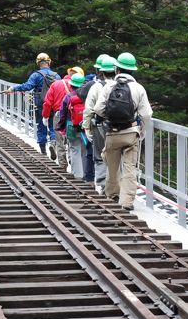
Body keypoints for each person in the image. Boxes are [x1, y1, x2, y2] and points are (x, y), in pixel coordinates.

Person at [93, 52, 152, 210]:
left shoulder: (109, 86)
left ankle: (112, 196)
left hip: (112, 132)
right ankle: (126, 202)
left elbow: (98, 108)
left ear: (117, 69)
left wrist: (109, 117)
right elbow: (146, 114)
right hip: (131, 132)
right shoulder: (139, 88)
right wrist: (142, 129)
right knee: (129, 167)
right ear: (132, 70)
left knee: (112, 167)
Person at [6, 53, 60, 154]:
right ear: (49, 62)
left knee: (41, 126)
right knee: (53, 125)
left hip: (40, 103)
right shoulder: (57, 76)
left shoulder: (36, 75)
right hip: (54, 104)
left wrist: (14, 88)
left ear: (38, 63)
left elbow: (27, 86)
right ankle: (53, 142)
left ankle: (43, 151)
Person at [83, 55, 116, 192]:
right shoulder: (121, 85)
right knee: (116, 157)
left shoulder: (96, 86)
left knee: (99, 156)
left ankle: (103, 185)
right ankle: (116, 186)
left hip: (100, 126)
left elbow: (89, 109)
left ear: (101, 71)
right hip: (120, 127)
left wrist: (86, 127)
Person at [42, 66, 84, 168]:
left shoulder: (56, 84)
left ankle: (62, 165)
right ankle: (72, 161)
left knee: (59, 141)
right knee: (72, 140)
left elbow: (47, 103)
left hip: (58, 115)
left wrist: (45, 116)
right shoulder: (81, 86)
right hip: (73, 116)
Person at [56, 73, 87, 178]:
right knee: (84, 150)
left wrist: (61, 127)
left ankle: (77, 175)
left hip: (71, 126)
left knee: (74, 149)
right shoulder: (87, 96)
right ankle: (85, 175)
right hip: (85, 126)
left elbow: (62, 114)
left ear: (71, 85)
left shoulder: (68, 97)